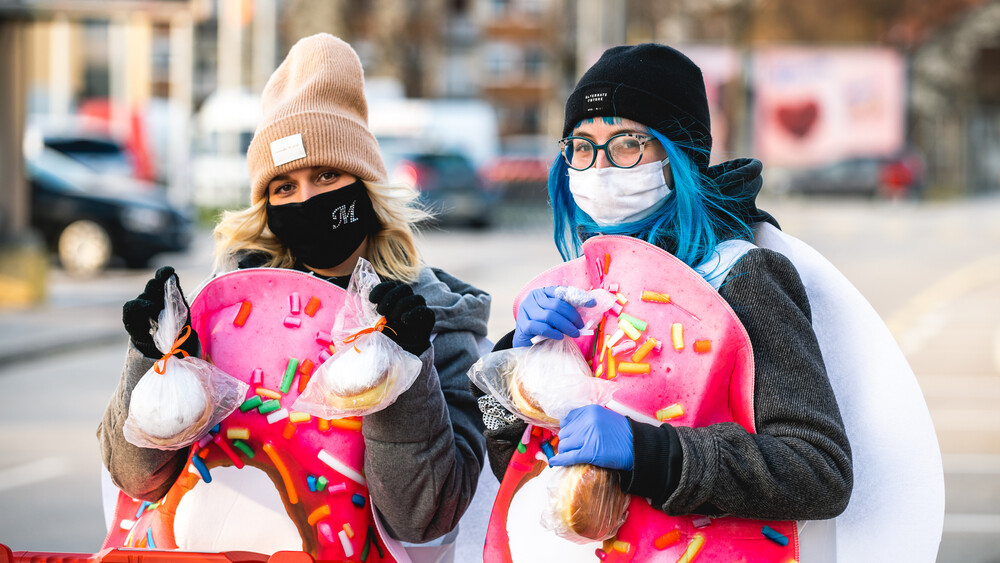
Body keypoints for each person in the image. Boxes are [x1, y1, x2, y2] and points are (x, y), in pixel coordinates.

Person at [98, 34, 490, 561]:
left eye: (326, 175)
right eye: (285, 187)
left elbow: (423, 519)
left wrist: (403, 376)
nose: (306, 200)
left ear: (367, 189)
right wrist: (151, 364)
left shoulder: (437, 323)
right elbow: (135, 478)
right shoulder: (224, 314)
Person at [476, 43, 860, 560]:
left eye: (628, 142)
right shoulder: (577, 283)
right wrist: (513, 374)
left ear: (677, 154)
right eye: (582, 145)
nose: (600, 166)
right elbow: (513, 466)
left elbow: (819, 471)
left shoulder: (740, 277)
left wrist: (648, 451)